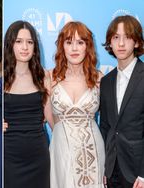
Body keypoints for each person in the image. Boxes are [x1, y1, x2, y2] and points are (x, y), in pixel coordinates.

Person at [49, 21, 105, 188]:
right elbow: (47, 115)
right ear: (62, 46)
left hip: (93, 151)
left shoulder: (99, 78)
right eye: (69, 42)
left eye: (80, 42)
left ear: (87, 47)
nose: (74, 48)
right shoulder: (49, 78)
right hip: (61, 152)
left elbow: (112, 120)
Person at [4, 20, 52, 188]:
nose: (25, 47)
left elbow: (51, 118)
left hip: (38, 156)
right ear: (10, 44)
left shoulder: (43, 76)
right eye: (19, 41)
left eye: (29, 42)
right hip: (9, 157)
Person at [100, 15, 144, 188]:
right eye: (116, 37)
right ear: (110, 43)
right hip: (112, 170)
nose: (121, 43)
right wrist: (106, 168)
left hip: (137, 171)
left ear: (137, 42)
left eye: (127, 37)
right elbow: (105, 126)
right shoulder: (106, 81)